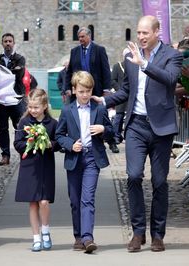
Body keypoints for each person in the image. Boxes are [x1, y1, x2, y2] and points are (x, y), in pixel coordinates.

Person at [92, 15, 183, 252]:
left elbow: (171, 79)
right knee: (133, 176)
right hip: (136, 126)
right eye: (139, 33)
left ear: (157, 32)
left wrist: (144, 64)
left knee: (160, 182)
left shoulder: (171, 55)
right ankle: (138, 232)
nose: (141, 37)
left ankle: (158, 234)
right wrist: (104, 100)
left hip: (162, 128)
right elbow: (127, 91)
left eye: (145, 33)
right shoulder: (131, 58)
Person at [56, 71, 114, 254]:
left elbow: (113, 132)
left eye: (88, 91)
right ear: (74, 90)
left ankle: (88, 237)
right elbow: (58, 135)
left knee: (87, 199)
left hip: (92, 158)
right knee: (75, 200)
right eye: (81, 91)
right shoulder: (66, 110)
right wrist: (71, 145)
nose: (85, 95)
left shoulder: (99, 109)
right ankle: (78, 236)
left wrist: (103, 128)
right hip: (74, 158)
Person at [14, 88, 60, 252]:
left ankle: (45, 231)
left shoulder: (52, 123)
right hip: (29, 167)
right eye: (31, 107)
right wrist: (29, 144)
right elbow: (17, 143)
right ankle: (36, 237)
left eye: (36, 107)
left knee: (44, 201)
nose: (33, 111)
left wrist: (50, 144)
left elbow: (58, 142)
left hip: (46, 166)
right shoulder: (24, 122)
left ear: (45, 106)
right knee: (33, 203)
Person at [65, 27, 118, 153]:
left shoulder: (99, 50)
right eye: (79, 37)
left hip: (96, 90)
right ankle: (72, 142)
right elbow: (70, 71)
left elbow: (105, 70)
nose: (80, 40)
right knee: (76, 115)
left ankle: (112, 141)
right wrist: (67, 88)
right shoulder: (75, 51)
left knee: (102, 114)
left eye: (83, 37)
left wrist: (106, 89)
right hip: (79, 89)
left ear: (89, 36)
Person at [0, 33, 26, 165]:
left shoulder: (20, 58)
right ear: (2, 44)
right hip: (1, 99)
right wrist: (11, 71)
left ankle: (22, 152)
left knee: (19, 126)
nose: (8, 43)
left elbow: (18, 75)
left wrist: (6, 73)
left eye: (10, 41)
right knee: (3, 128)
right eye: (5, 41)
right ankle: (5, 155)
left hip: (16, 97)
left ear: (13, 43)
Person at [111, 48, 129, 144]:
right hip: (120, 95)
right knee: (119, 116)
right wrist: (120, 90)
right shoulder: (117, 66)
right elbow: (112, 80)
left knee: (130, 117)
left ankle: (127, 136)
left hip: (130, 95)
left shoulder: (134, 66)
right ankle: (116, 136)